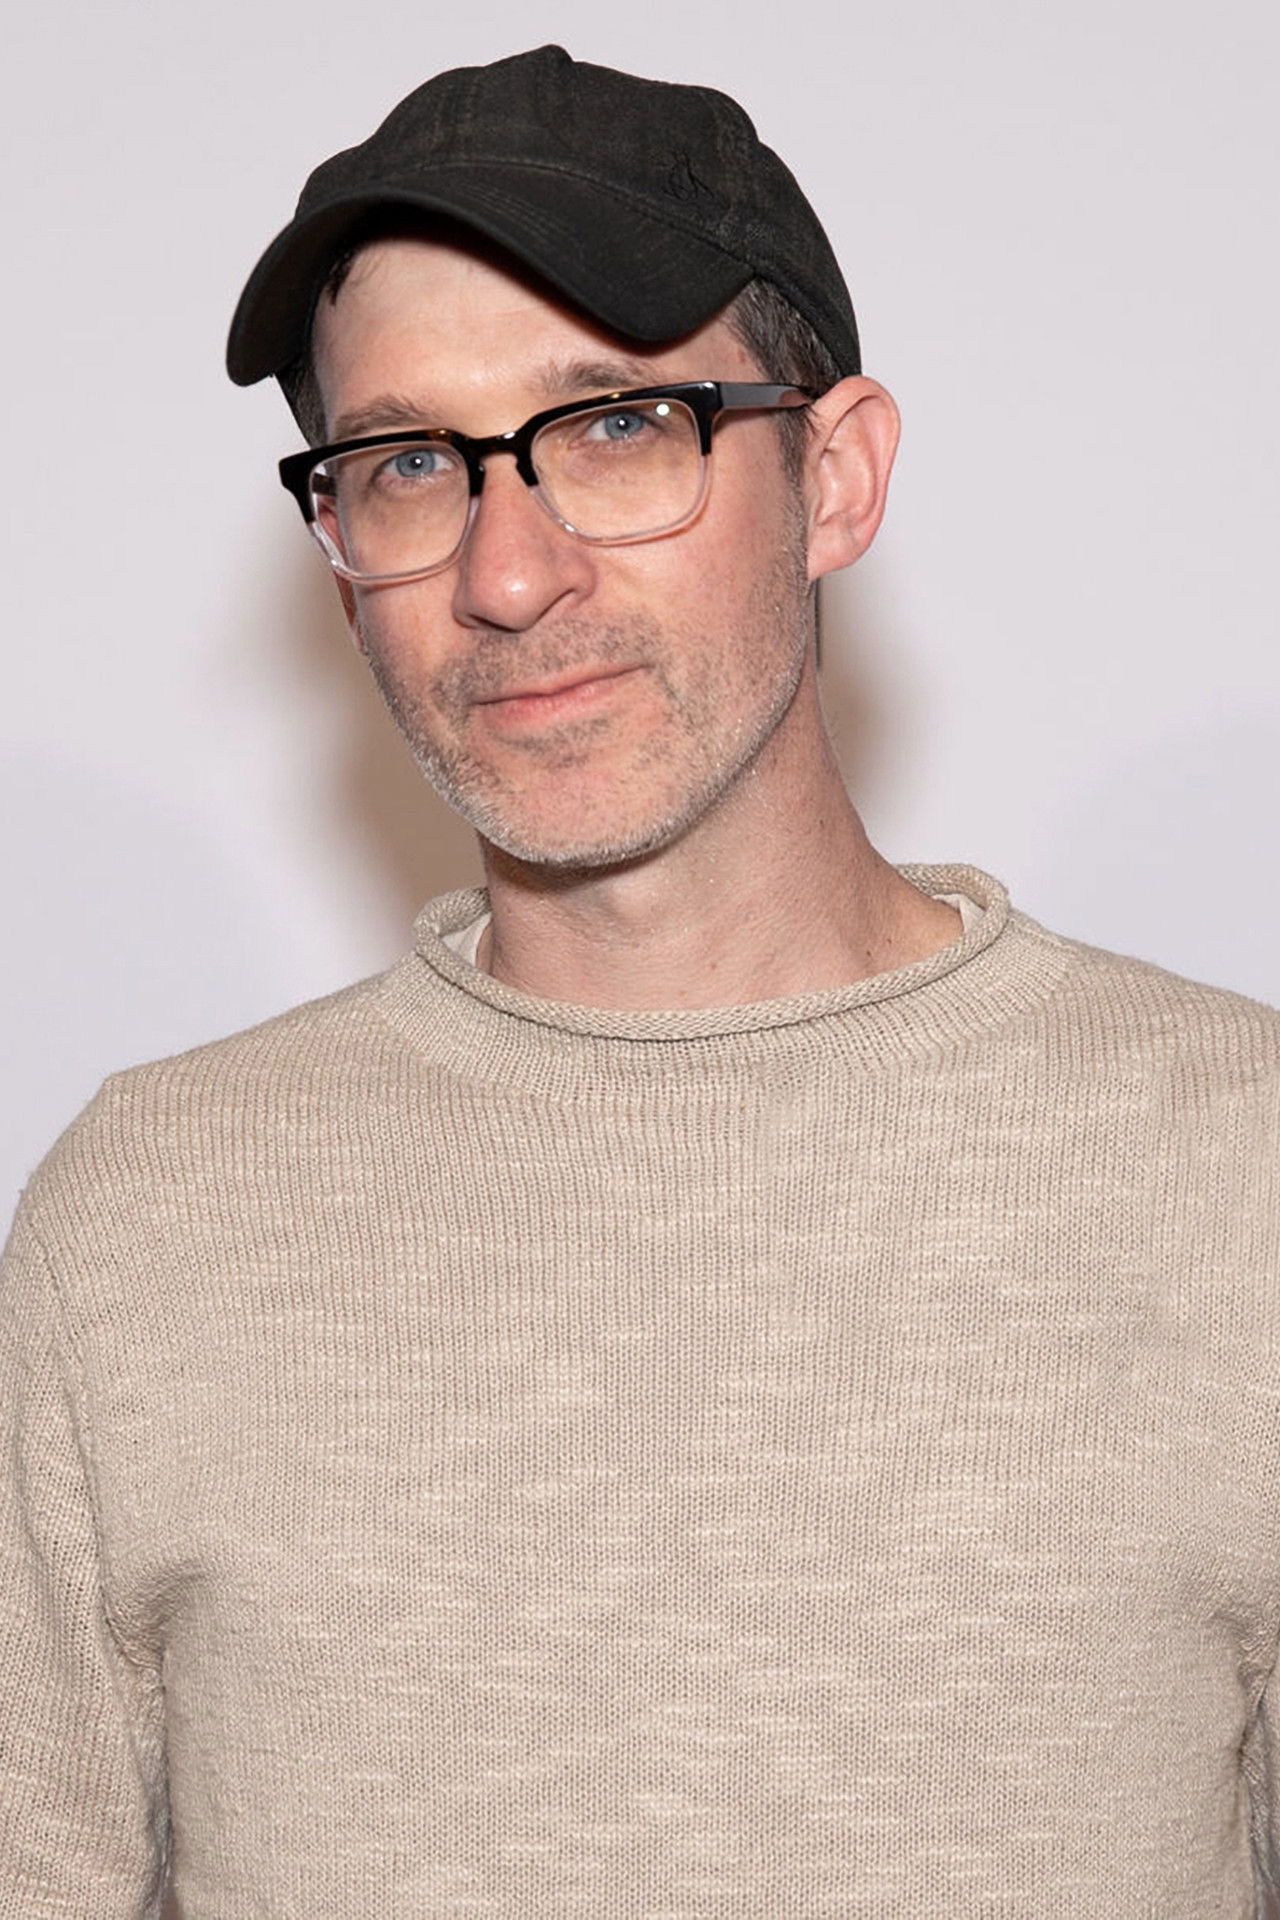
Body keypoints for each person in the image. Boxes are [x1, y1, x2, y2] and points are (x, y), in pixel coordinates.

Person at [2, 43, 1278, 1918]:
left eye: (614, 427)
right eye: (409, 464)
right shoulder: (148, 1214)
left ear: (834, 476)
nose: (509, 576)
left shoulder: (1240, 1168)